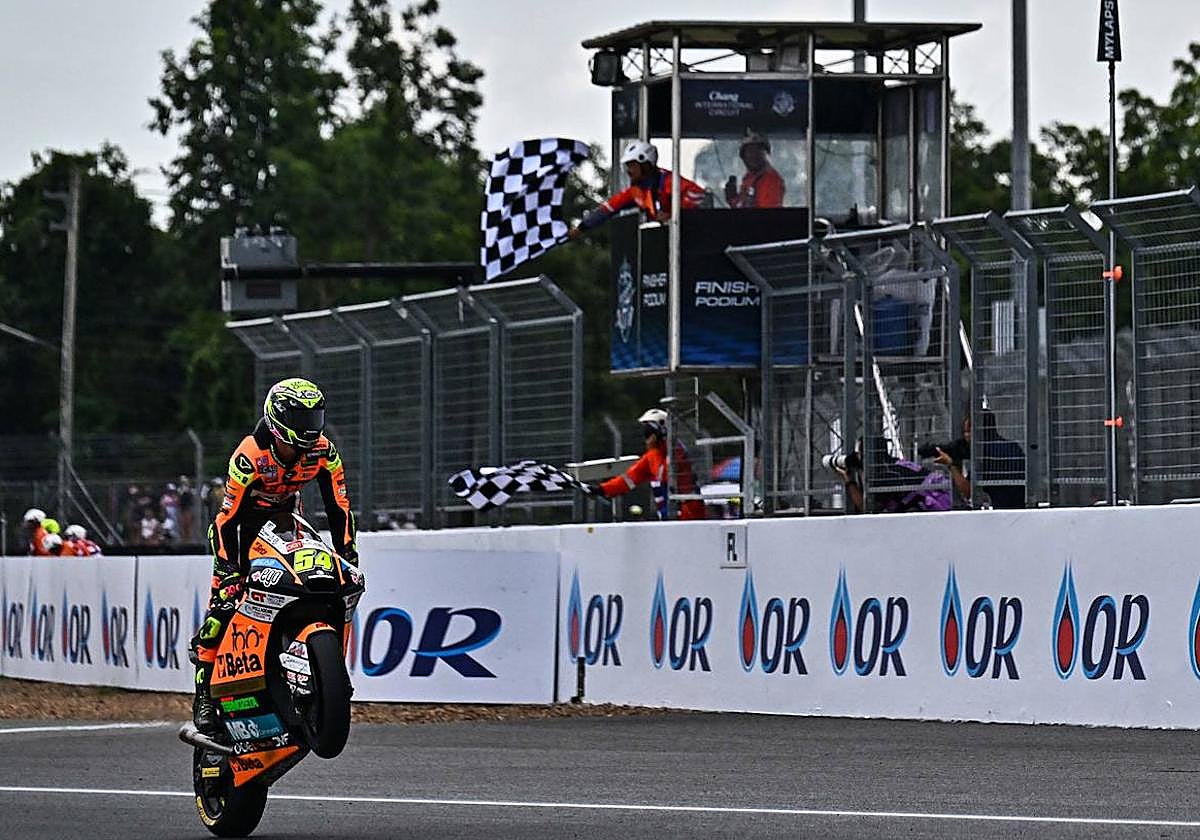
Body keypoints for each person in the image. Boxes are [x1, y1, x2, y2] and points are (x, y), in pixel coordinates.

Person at [189, 377, 358, 735]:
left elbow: (338, 506)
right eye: (302, 419)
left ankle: (328, 677)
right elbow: (225, 519)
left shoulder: (324, 451)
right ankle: (203, 692)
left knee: (329, 582)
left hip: (288, 522)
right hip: (240, 531)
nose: (311, 429)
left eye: (315, 418)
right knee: (222, 606)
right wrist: (230, 571)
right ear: (280, 419)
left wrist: (348, 554)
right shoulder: (249, 456)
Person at [568, 140, 706, 238]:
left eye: (632, 166)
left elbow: (699, 194)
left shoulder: (668, 182)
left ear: (645, 164)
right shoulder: (636, 191)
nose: (629, 171)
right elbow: (607, 209)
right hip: (664, 240)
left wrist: (675, 215)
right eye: (627, 166)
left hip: (692, 236)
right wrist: (581, 228)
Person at [590, 409, 706, 521]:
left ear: (659, 433)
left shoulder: (675, 451)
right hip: (669, 517)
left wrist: (655, 453)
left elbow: (666, 476)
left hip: (689, 513)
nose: (646, 439)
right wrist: (602, 489)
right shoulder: (652, 456)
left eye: (649, 433)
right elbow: (628, 479)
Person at [934, 411, 1026, 509]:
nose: (966, 436)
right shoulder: (1012, 446)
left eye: (968, 431)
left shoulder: (983, 454)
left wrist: (950, 464)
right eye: (965, 432)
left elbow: (969, 492)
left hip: (1001, 509)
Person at [837, 438, 951, 514]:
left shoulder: (884, 476)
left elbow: (866, 509)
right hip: (946, 502)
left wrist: (849, 481)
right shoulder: (899, 464)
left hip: (934, 511)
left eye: (858, 454)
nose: (856, 457)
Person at [724, 131, 785, 209]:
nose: (753, 155)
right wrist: (733, 199)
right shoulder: (749, 178)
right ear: (743, 156)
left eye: (758, 151)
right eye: (750, 151)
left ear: (765, 154)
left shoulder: (770, 180)